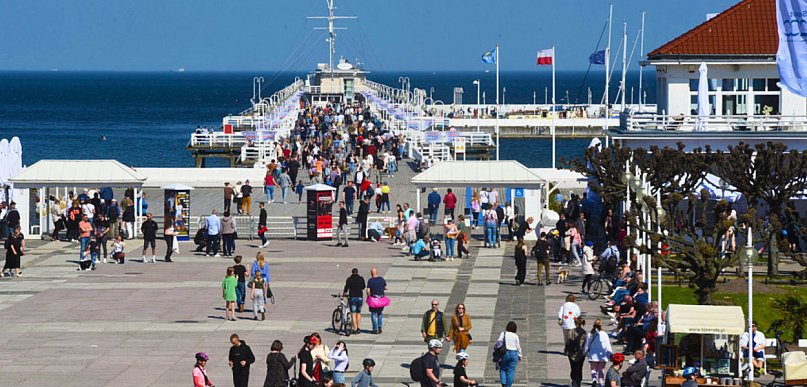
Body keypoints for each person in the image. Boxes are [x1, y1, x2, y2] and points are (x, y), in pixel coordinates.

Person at [584, 319, 613, 387]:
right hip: (602, 355)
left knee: (593, 369)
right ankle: (601, 383)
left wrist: (584, 352)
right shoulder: (604, 334)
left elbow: (587, 345)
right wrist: (610, 354)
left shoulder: (590, 334)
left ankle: (594, 380)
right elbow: (607, 345)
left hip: (593, 354)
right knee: (601, 370)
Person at [497, 321, 523, 387]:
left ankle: (504, 384)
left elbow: (498, 343)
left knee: (503, 369)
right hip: (514, 354)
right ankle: (508, 386)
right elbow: (518, 347)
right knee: (511, 371)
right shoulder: (516, 336)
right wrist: (520, 355)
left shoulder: (503, 333)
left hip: (505, 353)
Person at [565, 317, 588, 387]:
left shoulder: (571, 331)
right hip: (580, 354)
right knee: (579, 368)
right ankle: (578, 382)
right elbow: (585, 344)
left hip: (571, 354)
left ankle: (574, 380)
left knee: (573, 367)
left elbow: (568, 341)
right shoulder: (584, 333)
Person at [343, 268, 366, 334]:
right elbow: (363, 287)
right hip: (360, 297)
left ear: (352, 272)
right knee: (358, 312)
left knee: (353, 313)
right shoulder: (361, 278)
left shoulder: (349, 279)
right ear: (357, 272)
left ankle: (355, 329)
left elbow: (346, 288)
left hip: (353, 297)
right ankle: (359, 328)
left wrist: (344, 295)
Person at [366, 267, 388, 334]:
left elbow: (368, 290)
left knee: (373, 313)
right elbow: (386, 288)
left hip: (373, 299)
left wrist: (368, 296)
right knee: (379, 313)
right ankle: (380, 326)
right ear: (377, 272)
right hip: (381, 299)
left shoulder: (370, 280)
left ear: (371, 273)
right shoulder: (381, 279)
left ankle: (375, 329)